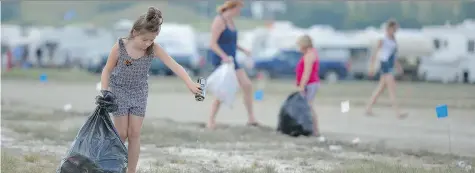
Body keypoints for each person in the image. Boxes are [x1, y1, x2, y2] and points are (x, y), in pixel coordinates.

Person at [100, 7, 202, 173]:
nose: (147, 44)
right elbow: (107, 70)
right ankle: (113, 167)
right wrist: (105, 92)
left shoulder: (153, 48)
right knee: (121, 133)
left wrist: (189, 83)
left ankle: (131, 170)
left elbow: (174, 65)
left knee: (134, 133)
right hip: (118, 91)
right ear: (134, 32)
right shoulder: (119, 47)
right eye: (144, 40)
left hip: (139, 93)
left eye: (151, 40)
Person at [207, 0, 259, 129]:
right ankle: (210, 121)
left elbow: (231, 42)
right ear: (232, 7)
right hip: (222, 61)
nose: (240, 12)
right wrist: (224, 56)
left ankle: (251, 118)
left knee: (247, 85)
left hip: (232, 59)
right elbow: (213, 44)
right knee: (221, 91)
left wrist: (244, 50)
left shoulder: (231, 21)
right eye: (239, 8)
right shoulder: (219, 21)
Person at [365, 19, 407, 119]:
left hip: (390, 64)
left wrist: (398, 66)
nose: (396, 30)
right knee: (392, 89)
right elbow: (375, 53)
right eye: (394, 28)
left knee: (380, 89)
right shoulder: (383, 39)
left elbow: (393, 55)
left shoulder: (393, 40)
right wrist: (372, 66)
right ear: (389, 28)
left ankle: (368, 108)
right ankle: (398, 112)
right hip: (385, 64)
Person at [295, 35, 321, 137]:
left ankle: (315, 130)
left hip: (310, 84)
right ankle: (308, 128)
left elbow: (307, 72)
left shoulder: (309, 55)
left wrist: (301, 86)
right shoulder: (310, 53)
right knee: (306, 106)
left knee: (309, 106)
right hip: (310, 84)